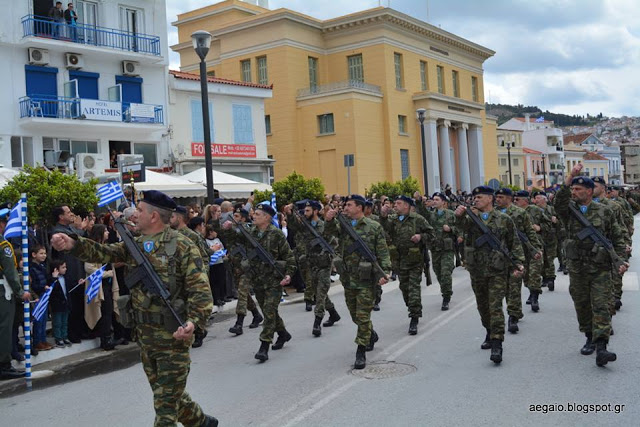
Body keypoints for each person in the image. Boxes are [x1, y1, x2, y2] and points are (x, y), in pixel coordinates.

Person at [50, 190, 217, 426]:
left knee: (164, 407)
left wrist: (193, 323)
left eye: (139, 211)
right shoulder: (134, 246)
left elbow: (200, 291)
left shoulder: (183, 246)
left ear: (154, 217)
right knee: (168, 395)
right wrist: (73, 244)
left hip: (174, 337)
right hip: (145, 337)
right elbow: (104, 252)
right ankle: (201, 422)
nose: (134, 215)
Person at [554, 164, 627, 367]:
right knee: (582, 303)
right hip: (577, 267)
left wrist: (620, 260)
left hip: (600, 267)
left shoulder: (605, 211)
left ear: (589, 191)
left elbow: (618, 237)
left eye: (578, 189)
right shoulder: (568, 211)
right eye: (573, 189)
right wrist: (570, 177)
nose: (574, 192)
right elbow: (558, 201)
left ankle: (602, 346)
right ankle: (589, 336)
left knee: (602, 304)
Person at [454, 186, 525, 364]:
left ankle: (497, 343)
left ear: (489, 199)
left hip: (497, 271)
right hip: (477, 270)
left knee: (495, 307)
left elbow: (514, 242)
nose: (475, 200)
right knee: (482, 306)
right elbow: (459, 227)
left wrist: (518, 262)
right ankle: (489, 330)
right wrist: (459, 215)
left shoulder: (504, 219)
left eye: (479, 197)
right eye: (474, 197)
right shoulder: (471, 219)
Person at [222, 204, 296, 362]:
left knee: (269, 312)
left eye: (257, 214)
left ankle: (264, 345)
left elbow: (288, 256)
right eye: (253, 213)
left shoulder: (276, 234)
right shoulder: (250, 232)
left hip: (273, 280)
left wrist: (289, 274)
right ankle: (283, 334)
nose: (253, 216)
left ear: (267, 217)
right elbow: (233, 239)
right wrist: (228, 228)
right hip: (258, 280)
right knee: (270, 312)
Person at [324, 195, 391, 370]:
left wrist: (386, 272)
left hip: (366, 280)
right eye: (345, 205)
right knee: (355, 315)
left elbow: (382, 252)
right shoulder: (342, 225)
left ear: (359, 207)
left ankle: (360, 350)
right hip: (348, 279)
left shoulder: (374, 227)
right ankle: (370, 334)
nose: (345, 208)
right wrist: (329, 220)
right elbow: (328, 234)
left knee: (362, 316)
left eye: (349, 205)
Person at [284, 201, 341, 337]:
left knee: (320, 295)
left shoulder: (323, 225)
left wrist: (331, 256)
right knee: (318, 292)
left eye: (308, 211)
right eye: (304, 211)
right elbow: (294, 225)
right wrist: (289, 214)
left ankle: (317, 322)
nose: (305, 213)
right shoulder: (305, 225)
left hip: (324, 265)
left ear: (315, 211)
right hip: (311, 264)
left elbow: (335, 243)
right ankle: (333, 314)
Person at [380, 196, 434, 335]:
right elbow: (384, 228)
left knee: (414, 289)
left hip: (415, 261)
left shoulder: (417, 219)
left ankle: (414, 318)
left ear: (407, 206)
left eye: (399, 203)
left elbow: (431, 233)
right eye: (395, 203)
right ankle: (412, 308)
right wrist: (383, 216)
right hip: (399, 261)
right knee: (404, 288)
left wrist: (420, 237)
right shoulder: (393, 219)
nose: (395, 205)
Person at [494, 188, 543, 333]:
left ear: (509, 198)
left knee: (514, 287)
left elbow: (530, 232)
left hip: (517, 254)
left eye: (501, 197)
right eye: (496, 197)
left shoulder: (520, 213)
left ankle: (513, 316)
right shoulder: (492, 214)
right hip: (497, 257)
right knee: (501, 289)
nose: (497, 199)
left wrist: (536, 249)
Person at [215, 208, 263, 335]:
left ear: (243, 218)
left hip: (247, 267)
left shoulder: (249, 229)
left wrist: (234, 227)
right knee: (244, 295)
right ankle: (256, 314)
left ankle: (239, 323)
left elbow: (243, 236)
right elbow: (219, 231)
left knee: (242, 292)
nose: (234, 218)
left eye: (237, 216)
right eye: (233, 215)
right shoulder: (232, 229)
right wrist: (217, 220)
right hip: (235, 267)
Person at [170, 206, 213, 349]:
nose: (169, 219)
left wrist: (201, 276)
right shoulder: (171, 235)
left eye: (172, 217)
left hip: (193, 277)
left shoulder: (192, 236)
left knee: (193, 305)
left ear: (180, 218)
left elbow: (204, 257)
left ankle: (199, 332)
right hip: (177, 278)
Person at [50, 205, 88, 343]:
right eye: (68, 212)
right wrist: (80, 229)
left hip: (78, 272)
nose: (72, 214)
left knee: (79, 305)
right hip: (68, 274)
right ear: (61, 216)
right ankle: (71, 334)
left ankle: (80, 331)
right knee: (70, 307)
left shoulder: (71, 228)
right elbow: (74, 240)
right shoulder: (58, 231)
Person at [0, 209, 30, 380]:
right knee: (5, 328)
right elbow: (11, 272)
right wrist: (20, 292)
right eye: (4, 222)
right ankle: (4, 365)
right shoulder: (3, 246)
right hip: (3, 292)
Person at [418, 193, 460, 311]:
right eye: (433, 200)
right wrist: (419, 200)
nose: (434, 201)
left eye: (437, 200)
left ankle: (446, 296)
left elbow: (460, 228)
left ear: (443, 202)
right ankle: (445, 289)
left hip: (447, 250)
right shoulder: (431, 216)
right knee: (438, 273)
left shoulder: (451, 215)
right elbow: (422, 212)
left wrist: (451, 229)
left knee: (446, 272)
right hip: (435, 249)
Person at [84, 225, 117, 351]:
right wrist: (107, 274)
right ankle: (105, 339)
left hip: (108, 284)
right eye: (105, 231)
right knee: (104, 312)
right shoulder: (92, 248)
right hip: (99, 286)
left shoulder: (106, 247)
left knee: (109, 311)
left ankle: (108, 336)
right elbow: (89, 268)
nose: (108, 233)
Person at [29, 245, 54, 351]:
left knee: (43, 320)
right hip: (37, 297)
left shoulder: (42, 267)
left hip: (44, 295)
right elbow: (33, 284)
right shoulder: (31, 268)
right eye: (41, 253)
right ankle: (37, 341)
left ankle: (43, 340)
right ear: (34, 255)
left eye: (44, 253)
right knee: (38, 320)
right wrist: (42, 287)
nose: (44, 255)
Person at [532, 191, 558, 291]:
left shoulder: (552, 209)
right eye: (535, 198)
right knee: (541, 259)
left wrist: (556, 221)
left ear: (544, 199)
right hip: (538, 239)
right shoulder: (532, 210)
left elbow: (561, 222)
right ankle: (544, 277)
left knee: (550, 259)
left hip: (550, 238)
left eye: (538, 197)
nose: (536, 200)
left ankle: (551, 278)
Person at [49, 259, 73, 348]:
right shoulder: (52, 279)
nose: (65, 269)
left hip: (65, 303)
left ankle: (64, 336)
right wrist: (54, 278)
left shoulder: (65, 278)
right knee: (57, 322)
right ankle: (58, 337)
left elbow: (70, 286)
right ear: (56, 269)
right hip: (57, 304)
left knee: (64, 321)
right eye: (63, 267)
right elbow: (52, 289)